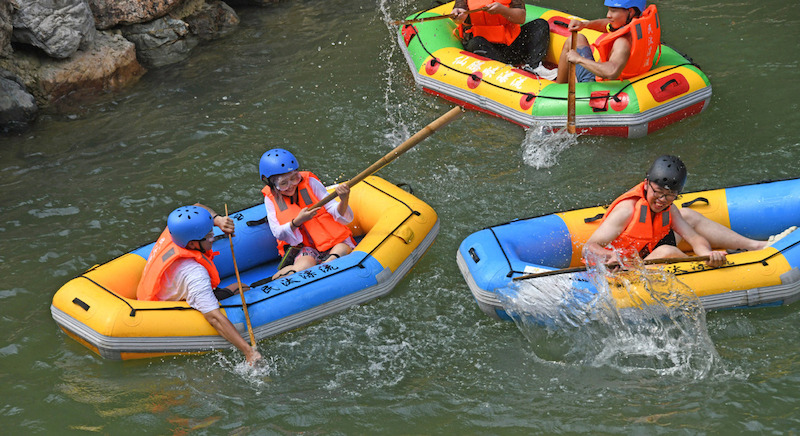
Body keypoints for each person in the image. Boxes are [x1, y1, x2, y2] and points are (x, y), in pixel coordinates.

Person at [582, 155, 785, 269]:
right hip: (623, 268)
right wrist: (610, 256)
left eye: (670, 196)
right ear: (646, 184)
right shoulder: (627, 210)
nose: (662, 200)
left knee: (688, 216)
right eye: (658, 193)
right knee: (666, 252)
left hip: (644, 252)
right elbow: (589, 247)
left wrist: (705, 253)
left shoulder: (669, 208)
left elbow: (694, 238)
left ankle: (757, 245)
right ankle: (697, 268)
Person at [136, 204, 262, 365]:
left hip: (158, 293)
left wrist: (218, 220)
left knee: (240, 286)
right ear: (192, 245)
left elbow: (195, 207)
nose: (213, 238)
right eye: (209, 236)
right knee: (242, 288)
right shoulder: (194, 273)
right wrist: (248, 352)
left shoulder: (176, 231)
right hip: (166, 312)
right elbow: (214, 318)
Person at [259, 148, 356, 280]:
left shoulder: (309, 182)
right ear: (271, 184)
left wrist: (344, 199)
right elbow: (278, 232)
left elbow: (333, 209)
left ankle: (327, 266)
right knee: (303, 265)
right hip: (306, 248)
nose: (291, 185)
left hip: (334, 242)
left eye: (294, 178)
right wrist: (297, 221)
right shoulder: (271, 198)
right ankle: (282, 277)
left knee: (340, 250)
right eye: (283, 183)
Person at [555, 0, 660, 84]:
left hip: (599, 85)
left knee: (572, 40)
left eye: (613, 11)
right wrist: (585, 25)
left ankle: (558, 90)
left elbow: (612, 71)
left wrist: (579, 59)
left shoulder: (622, 42)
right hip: (633, 76)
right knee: (579, 38)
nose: (608, 15)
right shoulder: (638, 24)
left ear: (630, 11)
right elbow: (608, 25)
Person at [452, 0, 550, 70]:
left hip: (510, 45)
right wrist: (459, 16)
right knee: (476, 42)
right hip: (485, 48)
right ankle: (504, 70)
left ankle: (533, 67)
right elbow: (459, 15)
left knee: (540, 25)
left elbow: (521, 18)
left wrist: (503, 10)